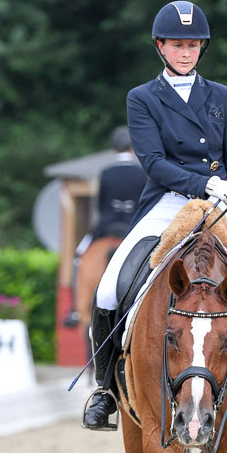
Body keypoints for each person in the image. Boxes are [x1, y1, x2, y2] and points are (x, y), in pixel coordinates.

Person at [83, 0, 227, 432]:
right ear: (160, 47)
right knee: (110, 287)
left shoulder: (220, 95)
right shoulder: (142, 98)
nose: (186, 52)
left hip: (223, 202)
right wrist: (203, 184)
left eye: (193, 45)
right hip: (168, 201)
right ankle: (105, 391)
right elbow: (152, 161)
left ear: (201, 48)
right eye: (177, 45)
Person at [64, 126, 147, 327]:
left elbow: (101, 205)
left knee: (79, 255)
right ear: (131, 146)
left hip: (107, 224)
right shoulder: (142, 172)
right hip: (132, 225)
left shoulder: (106, 173)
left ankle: (75, 309)